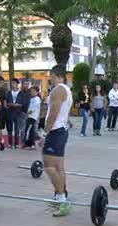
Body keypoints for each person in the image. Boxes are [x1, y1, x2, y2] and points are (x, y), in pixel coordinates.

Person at [39, 65, 73, 217]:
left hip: (55, 132)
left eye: (50, 76)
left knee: (49, 167)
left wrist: (44, 133)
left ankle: (62, 199)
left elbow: (53, 113)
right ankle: (61, 196)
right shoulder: (66, 89)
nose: (49, 79)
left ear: (54, 75)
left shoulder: (58, 90)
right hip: (61, 131)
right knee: (59, 167)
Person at [6, 78, 24, 149]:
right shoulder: (9, 93)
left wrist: (18, 105)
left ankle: (16, 143)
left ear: (17, 84)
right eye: (12, 83)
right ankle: (10, 143)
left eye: (14, 83)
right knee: (10, 129)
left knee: (17, 129)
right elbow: (6, 102)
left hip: (18, 112)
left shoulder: (21, 93)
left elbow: (23, 102)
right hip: (10, 112)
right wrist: (10, 104)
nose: (12, 85)